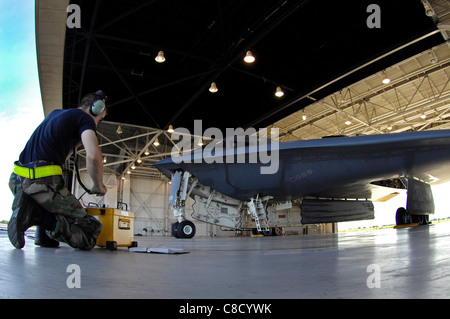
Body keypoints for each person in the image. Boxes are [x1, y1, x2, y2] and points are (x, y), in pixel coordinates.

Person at [7, 90, 108, 250]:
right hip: (41, 182)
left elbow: (63, 155)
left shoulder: (56, 114)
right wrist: (98, 185)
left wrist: (76, 144)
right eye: (100, 119)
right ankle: (37, 215)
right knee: (91, 231)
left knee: (58, 208)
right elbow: (94, 156)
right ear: (95, 109)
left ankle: (37, 215)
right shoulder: (86, 119)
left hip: (17, 180)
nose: (97, 123)